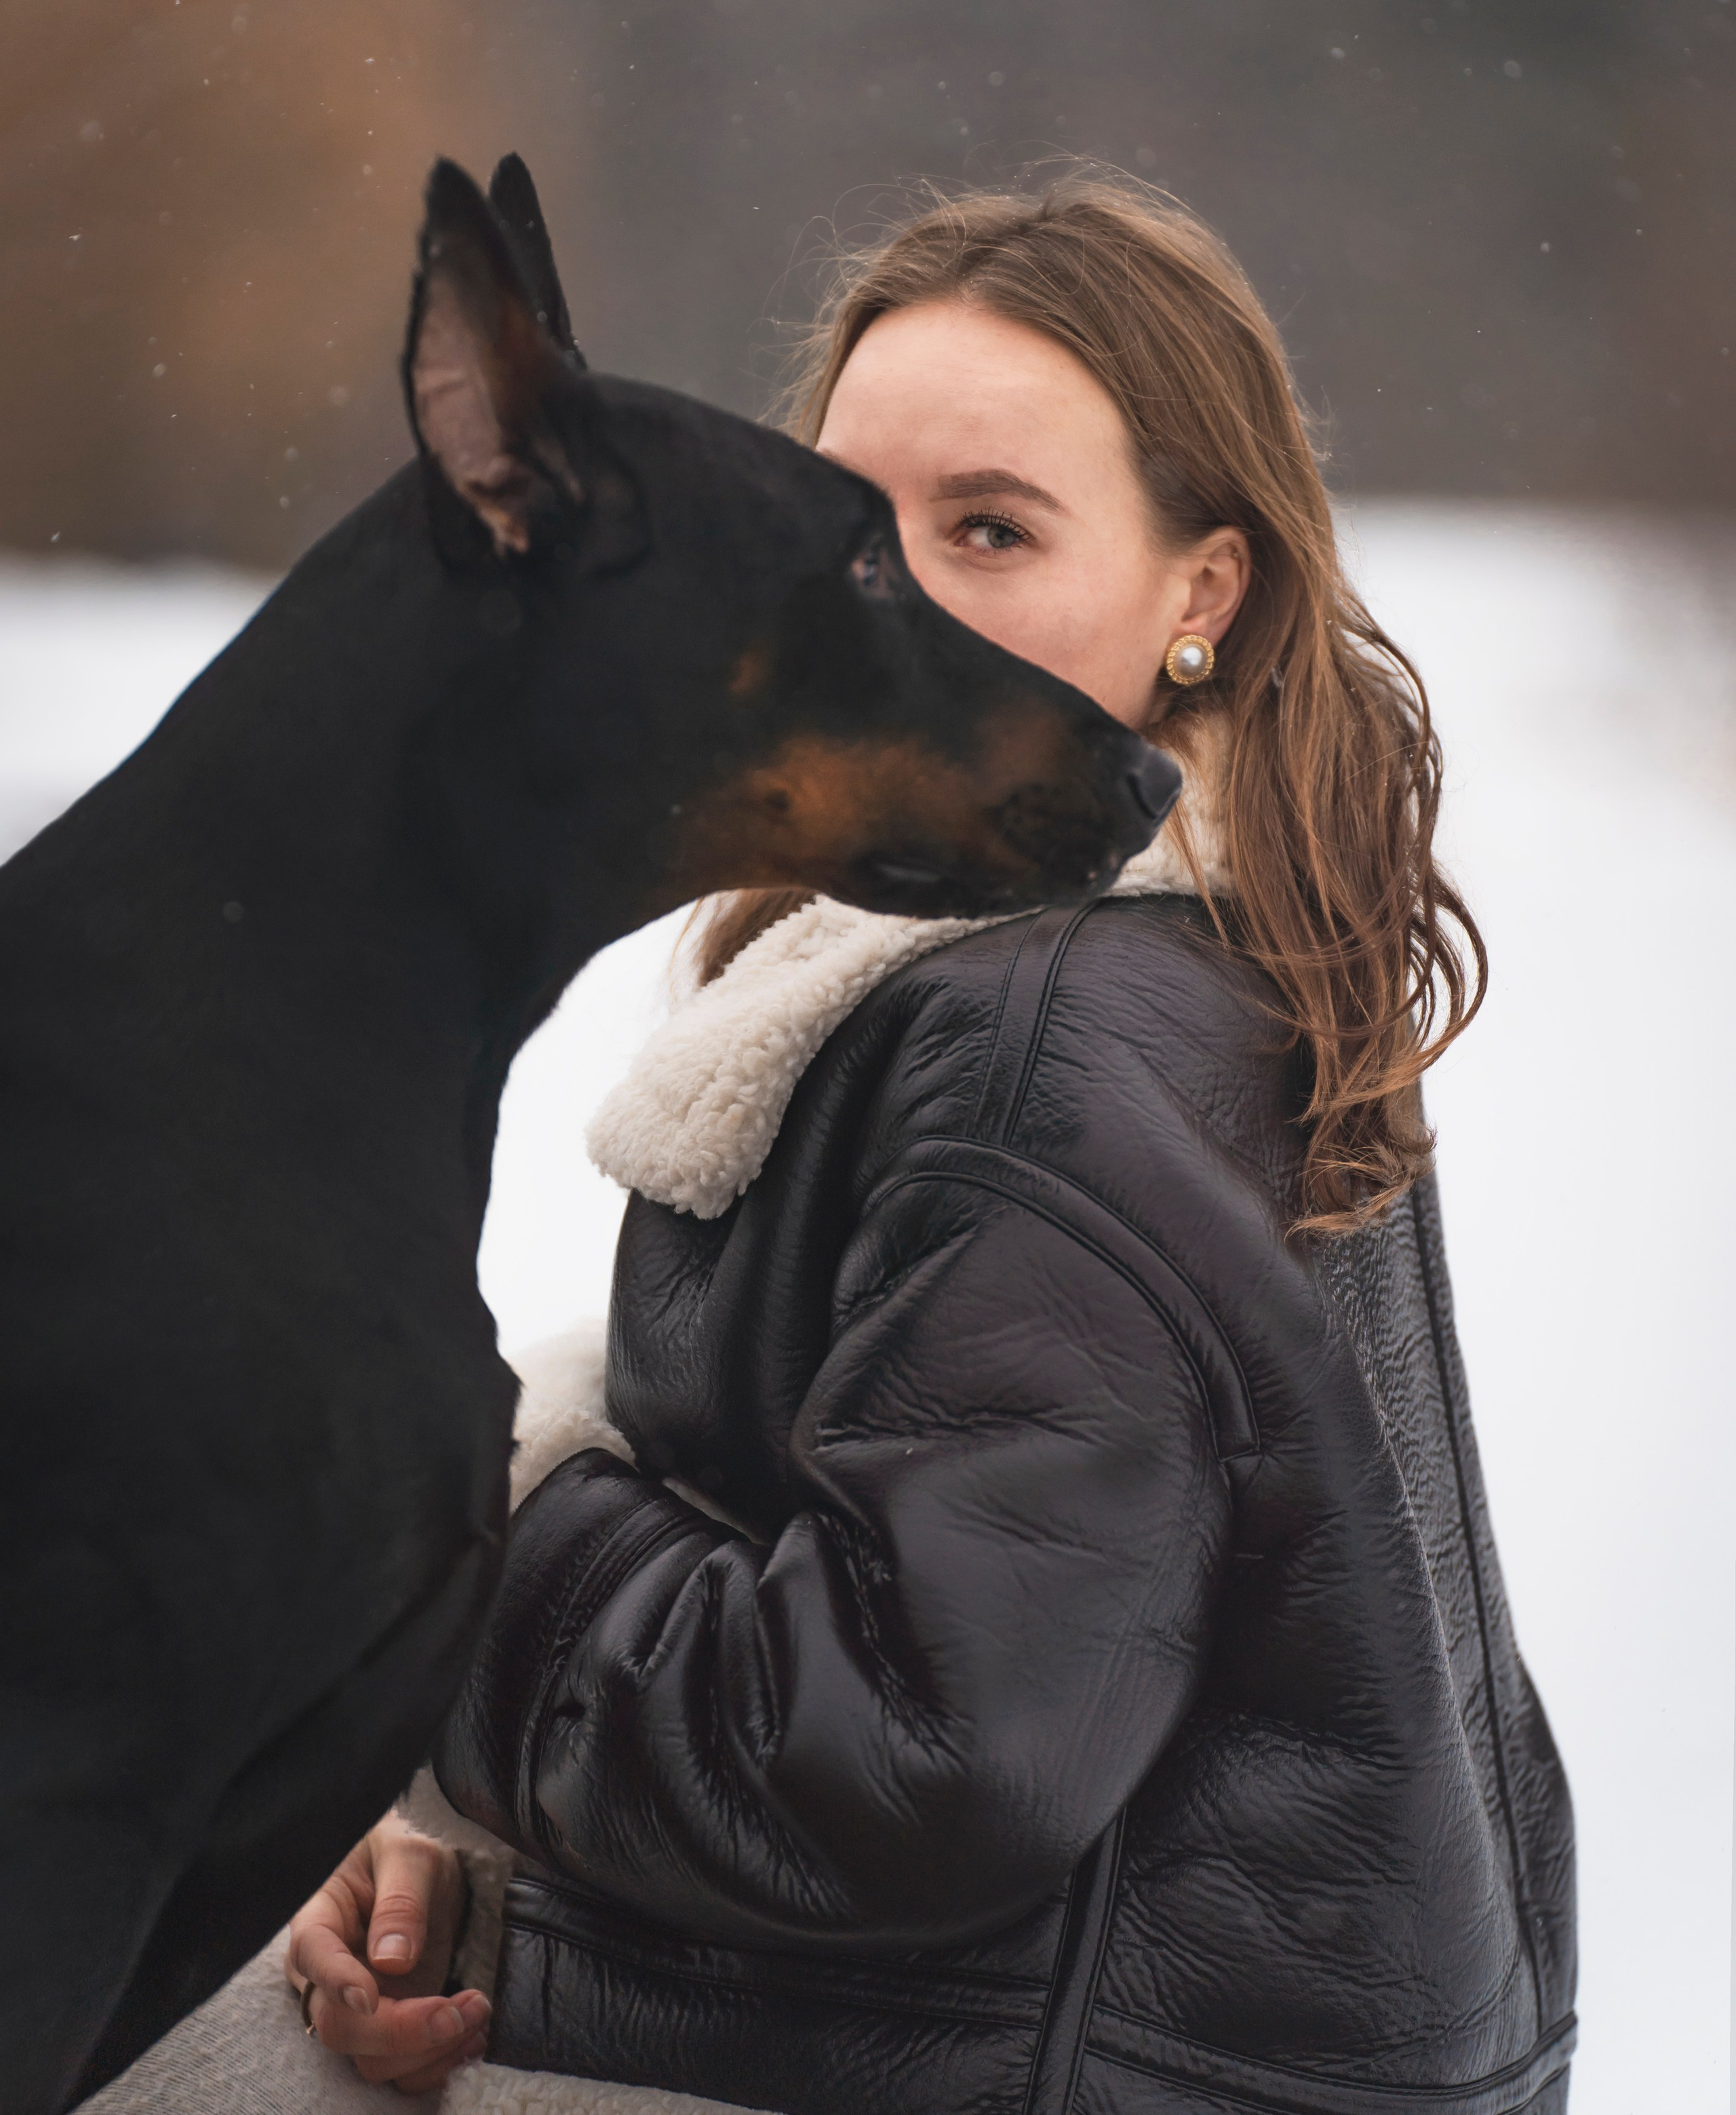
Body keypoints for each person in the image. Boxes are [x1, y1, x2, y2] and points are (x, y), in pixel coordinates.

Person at [203, 175, 1579, 2112]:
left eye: (996, 531)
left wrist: (455, 1530)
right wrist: (488, 1890)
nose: (905, 602)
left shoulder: (1046, 1039)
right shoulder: (1186, 944)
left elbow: (891, 1774)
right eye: (860, 536)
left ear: (1207, 593)